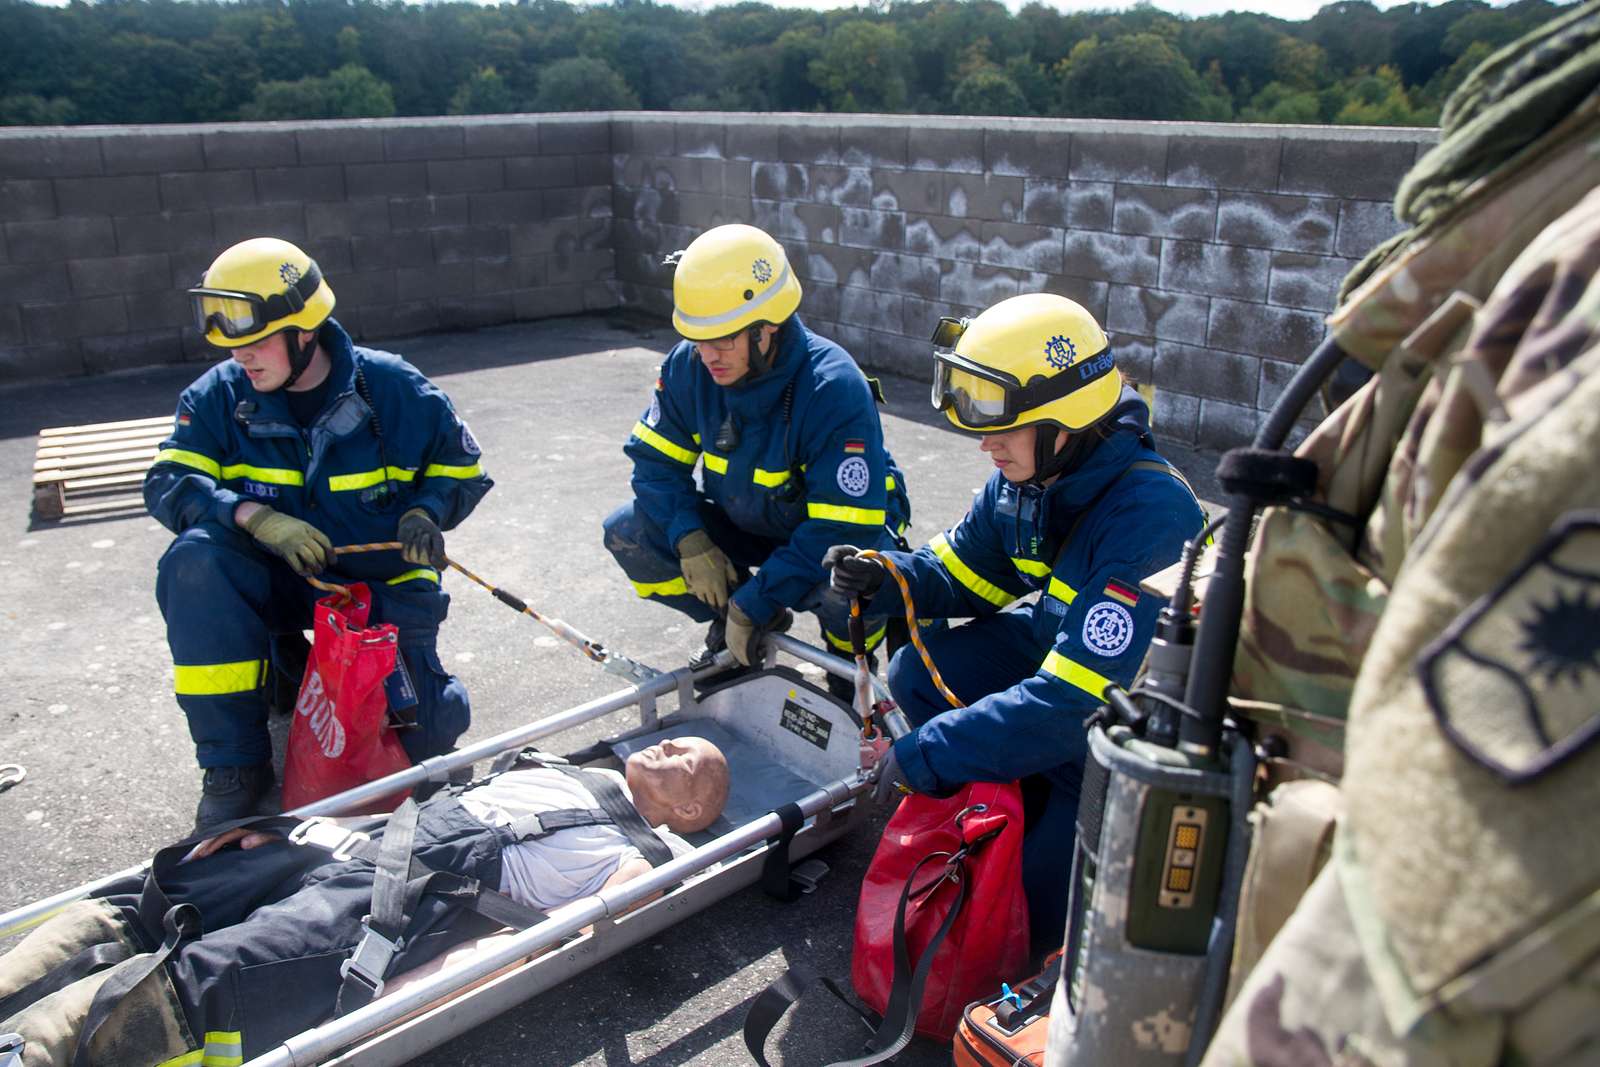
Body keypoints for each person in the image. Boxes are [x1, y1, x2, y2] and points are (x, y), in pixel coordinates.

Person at [825, 293, 1204, 948]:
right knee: (919, 669)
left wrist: (930, 753)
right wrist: (887, 575)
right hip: (1059, 667)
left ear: (1065, 420)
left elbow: (1073, 705)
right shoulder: (1028, 479)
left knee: (1025, 911)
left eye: (1003, 423)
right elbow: (960, 569)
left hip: (1108, 731)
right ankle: (1006, 784)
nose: (984, 442)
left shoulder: (1152, 515)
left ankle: (1057, 816)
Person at [0, 737, 730, 1066]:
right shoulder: (559, 764)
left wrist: (416, 994)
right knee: (169, 889)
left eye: (687, 760)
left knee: (214, 973)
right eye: (672, 741)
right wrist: (304, 831)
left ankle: (30, 1049)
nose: (668, 748)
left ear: (693, 812)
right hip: (364, 843)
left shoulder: (632, 860)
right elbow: (431, 803)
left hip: (404, 900)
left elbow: (551, 940)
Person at [145, 237, 493, 831]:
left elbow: (461, 468)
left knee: (428, 742)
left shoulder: (393, 389)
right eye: (232, 346)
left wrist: (427, 512)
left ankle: (302, 668)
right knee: (195, 563)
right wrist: (256, 519)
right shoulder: (218, 397)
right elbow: (170, 480)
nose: (243, 359)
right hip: (272, 580)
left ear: (304, 331)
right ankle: (235, 765)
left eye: (255, 341)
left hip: (375, 583)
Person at [601, 224, 911, 694]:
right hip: (750, 527)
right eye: (697, 337)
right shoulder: (691, 365)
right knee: (629, 532)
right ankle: (735, 633)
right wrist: (690, 539)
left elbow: (842, 528)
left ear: (769, 328)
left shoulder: (831, 387)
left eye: (723, 339)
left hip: (834, 537)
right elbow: (654, 464)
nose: (707, 355)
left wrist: (757, 598)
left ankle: (849, 674)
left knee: (846, 584)